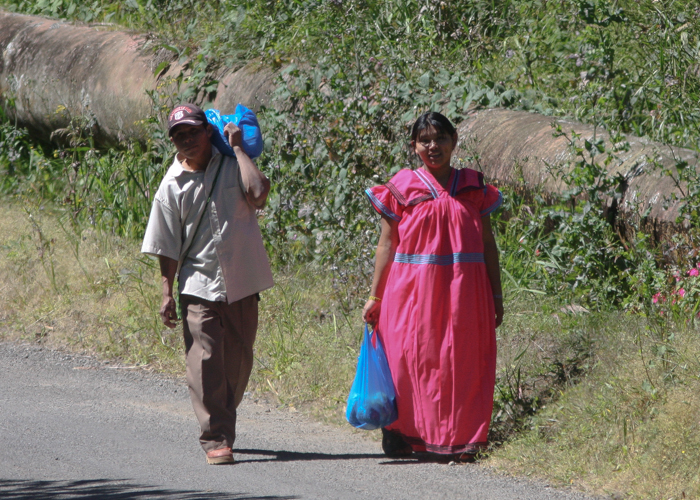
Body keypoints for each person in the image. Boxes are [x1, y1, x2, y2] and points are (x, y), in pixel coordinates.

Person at [362, 111, 503, 461]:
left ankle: (462, 439)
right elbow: (386, 244)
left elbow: (488, 244)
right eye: (424, 140)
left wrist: (496, 293)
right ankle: (401, 431)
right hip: (410, 294)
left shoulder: (474, 187)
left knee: (463, 361)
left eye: (440, 138)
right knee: (411, 360)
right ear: (413, 146)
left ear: (454, 142)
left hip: (465, 294)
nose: (433, 146)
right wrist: (375, 295)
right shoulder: (402, 187)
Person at [141, 103, 274, 465]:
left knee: (239, 361)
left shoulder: (232, 164)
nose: (187, 139)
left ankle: (223, 417)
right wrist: (166, 292)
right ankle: (215, 436)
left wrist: (239, 148)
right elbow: (166, 245)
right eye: (179, 135)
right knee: (205, 359)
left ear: (207, 132)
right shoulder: (170, 187)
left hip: (243, 279)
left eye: (193, 131)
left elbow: (259, 194)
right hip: (197, 284)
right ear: (173, 142)